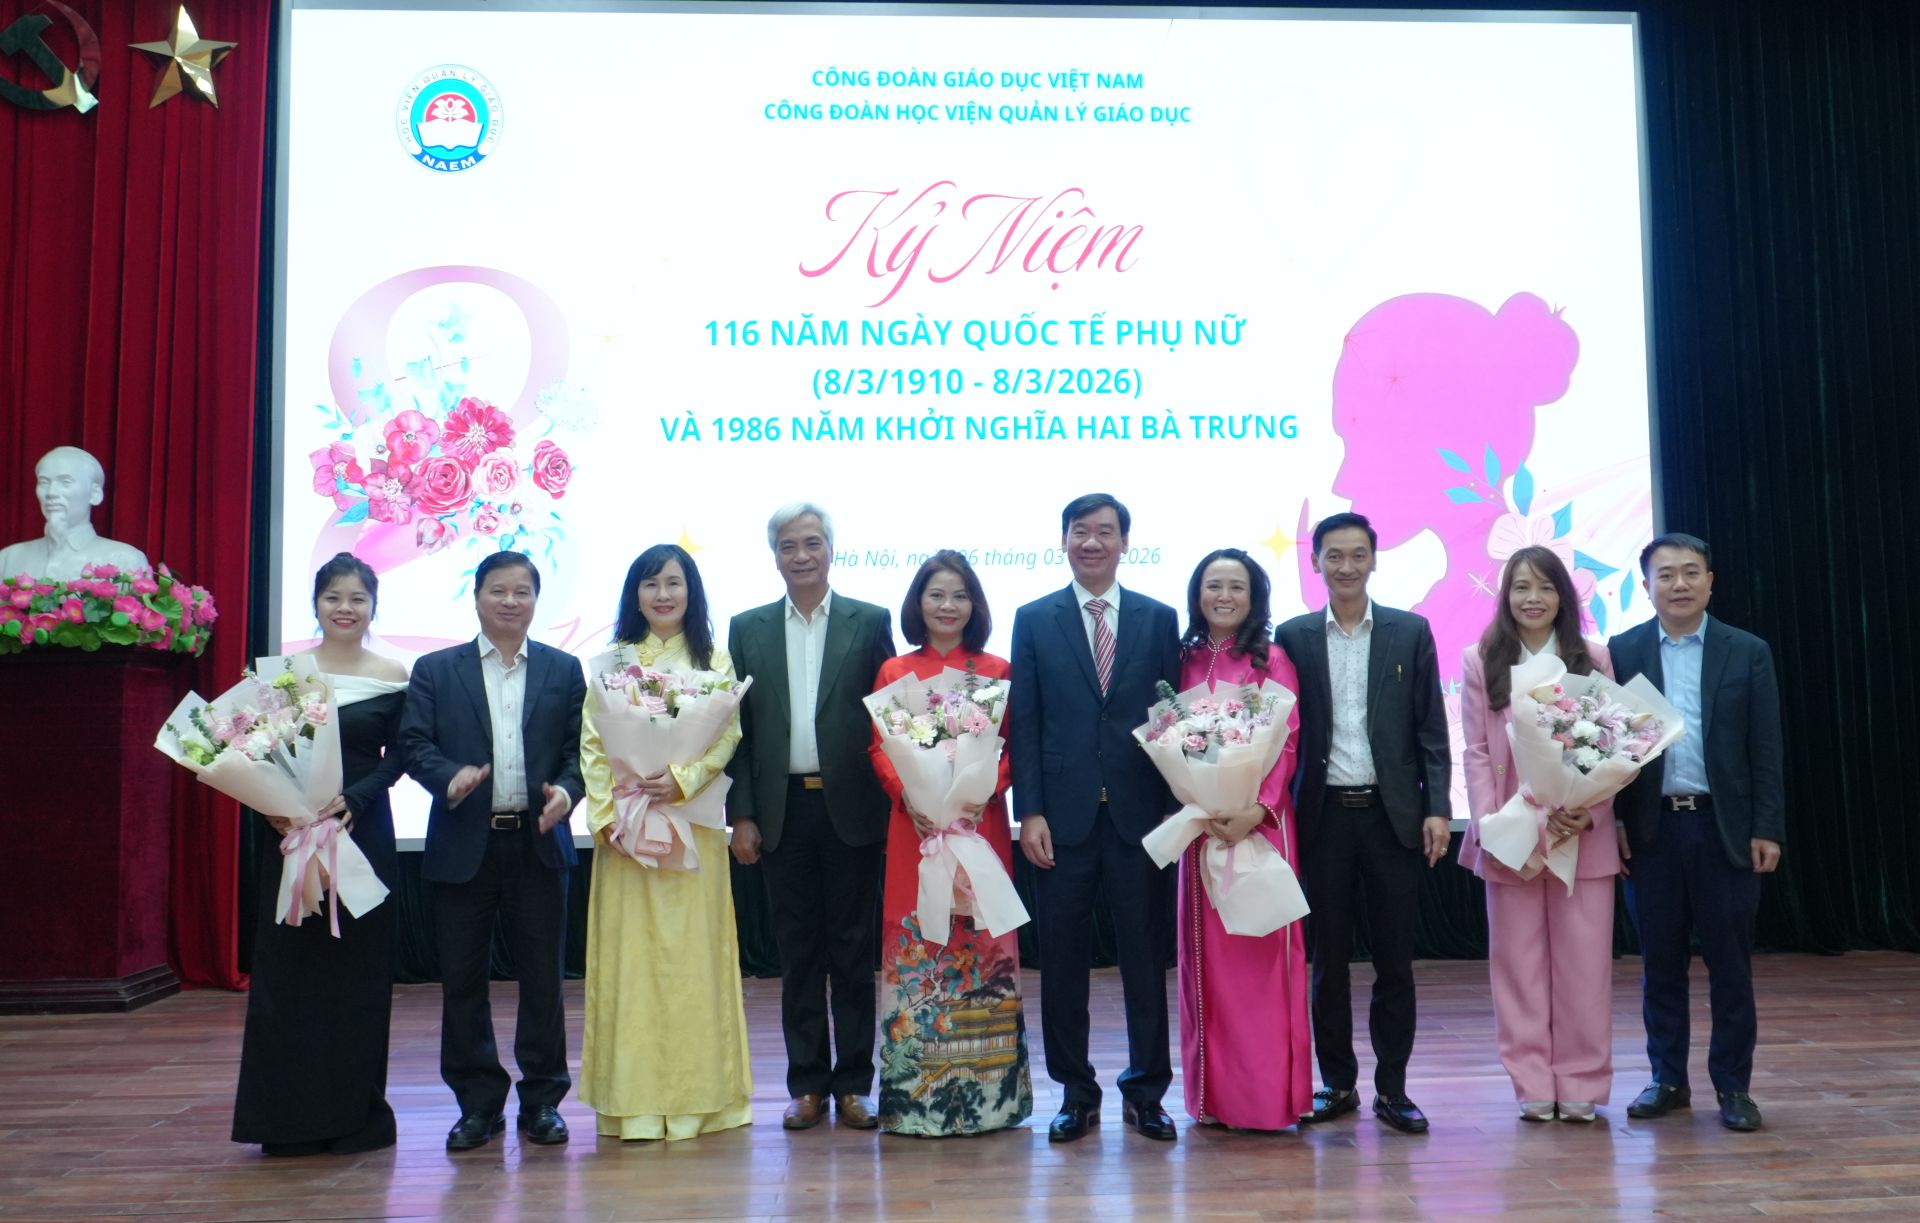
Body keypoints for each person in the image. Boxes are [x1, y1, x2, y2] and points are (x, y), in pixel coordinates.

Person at [1009, 492, 1182, 1143]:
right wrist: (1030, 811)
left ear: (1124, 542)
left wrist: (1175, 807)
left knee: (1145, 959)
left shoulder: (1158, 618)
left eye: (1104, 531)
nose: (1091, 542)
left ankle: (1147, 1092)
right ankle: (1075, 1093)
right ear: (1064, 540)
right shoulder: (1034, 619)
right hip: (1063, 819)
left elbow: (1170, 717)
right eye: (1080, 531)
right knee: (1062, 963)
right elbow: (1026, 722)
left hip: (1141, 818)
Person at [400, 551, 585, 1151]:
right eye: (498, 590)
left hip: (538, 844)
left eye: (521, 591)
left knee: (543, 980)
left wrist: (568, 793)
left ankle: (543, 1100)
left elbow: (579, 752)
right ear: (476, 596)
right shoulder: (436, 669)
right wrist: (448, 778)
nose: (510, 601)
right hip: (464, 844)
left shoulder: (563, 669)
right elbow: (414, 743)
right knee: (462, 982)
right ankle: (477, 1105)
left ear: (535, 600)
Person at [1275, 511, 1452, 1135]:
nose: (1346, 566)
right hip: (1322, 818)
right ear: (1315, 562)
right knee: (1327, 963)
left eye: (1357, 555)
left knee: (1394, 961)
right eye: (1334, 555)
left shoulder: (1410, 631)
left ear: (1374, 559)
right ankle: (1338, 1083)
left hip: (1391, 817)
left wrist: (1438, 807)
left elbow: (1431, 729)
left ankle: (1394, 1090)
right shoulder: (1293, 636)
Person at [725, 503, 896, 1131]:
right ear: (774, 555)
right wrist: (742, 814)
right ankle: (807, 1086)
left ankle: (853, 1085)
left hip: (852, 809)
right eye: (789, 545)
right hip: (782, 811)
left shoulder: (868, 621)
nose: (802, 555)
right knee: (797, 954)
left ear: (831, 549)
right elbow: (739, 732)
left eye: (813, 543)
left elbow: (888, 718)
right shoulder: (747, 628)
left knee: (852, 952)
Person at [231, 552, 407, 1155]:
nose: (345, 608)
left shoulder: (392, 673)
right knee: (291, 977)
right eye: (334, 597)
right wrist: (274, 808)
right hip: (290, 836)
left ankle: (354, 1117)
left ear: (373, 606)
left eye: (357, 599)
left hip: (361, 832)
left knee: (356, 974)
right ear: (316, 604)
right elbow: (252, 752)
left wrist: (356, 797)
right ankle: (286, 1123)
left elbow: (401, 755)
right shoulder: (285, 675)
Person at [1608, 533, 1785, 1132]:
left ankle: (1734, 1086)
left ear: (1711, 581)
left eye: (1690, 572)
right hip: (1652, 831)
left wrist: (1767, 827)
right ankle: (1667, 1079)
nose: (1678, 584)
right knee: (1660, 964)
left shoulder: (1747, 651)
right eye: (1665, 574)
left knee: (1730, 966)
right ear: (1646, 586)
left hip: (1723, 829)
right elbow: (1608, 748)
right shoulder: (1623, 650)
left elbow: (1766, 748)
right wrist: (1616, 823)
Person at [579, 544, 752, 1141]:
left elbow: (726, 735)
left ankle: (703, 1102)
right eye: (650, 583)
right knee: (631, 963)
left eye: (673, 582)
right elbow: (593, 742)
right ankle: (631, 1103)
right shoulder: (613, 662)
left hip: (690, 825)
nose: (662, 594)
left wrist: (683, 777)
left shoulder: (714, 660)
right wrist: (606, 814)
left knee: (692, 961)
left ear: (691, 591)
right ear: (635, 594)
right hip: (628, 832)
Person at [869, 550, 1033, 1136]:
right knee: (922, 941)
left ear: (975, 605)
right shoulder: (895, 671)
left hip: (977, 825)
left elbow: (1012, 747)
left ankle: (991, 1101)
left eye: (959, 595)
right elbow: (880, 748)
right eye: (936, 594)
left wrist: (980, 792)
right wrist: (909, 797)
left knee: (982, 946)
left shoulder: (997, 669)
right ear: (918, 603)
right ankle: (916, 1102)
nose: (947, 605)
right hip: (915, 830)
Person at [1459, 545, 1618, 1123]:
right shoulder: (1481, 660)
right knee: (1517, 967)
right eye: (1521, 587)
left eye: (1545, 587)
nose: (1533, 598)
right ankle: (1530, 1082)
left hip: (1581, 833)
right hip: (1512, 835)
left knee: (1585, 967)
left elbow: (1614, 745)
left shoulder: (1594, 658)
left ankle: (1581, 1081)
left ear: (1562, 597)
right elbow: (1477, 752)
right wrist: (1492, 822)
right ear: (1506, 595)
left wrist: (1589, 810)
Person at [1169, 548, 1313, 1131]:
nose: (1223, 596)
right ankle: (1214, 1100)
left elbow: (1287, 740)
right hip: (1202, 830)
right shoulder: (1181, 660)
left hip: (1260, 829)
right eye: (1213, 585)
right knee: (1206, 967)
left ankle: (1266, 1100)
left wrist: (1257, 808)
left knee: (1260, 961)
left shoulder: (1270, 660)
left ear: (1254, 598)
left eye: (1236, 586)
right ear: (1197, 594)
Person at [0, 445, 150, 580]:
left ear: (95, 493)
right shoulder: (9, 559)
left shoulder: (125, 560)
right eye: (44, 482)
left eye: (65, 482)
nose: (51, 493)